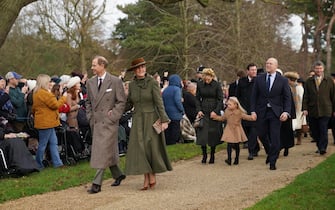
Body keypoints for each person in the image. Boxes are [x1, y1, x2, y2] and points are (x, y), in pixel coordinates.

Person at [125, 57, 172, 190]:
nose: (141, 69)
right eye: (138, 68)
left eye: (143, 67)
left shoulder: (152, 82)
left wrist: (164, 119)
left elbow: (159, 102)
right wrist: (114, 111)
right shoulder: (132, 85)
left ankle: (151, 174)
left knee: (151, 148)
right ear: (134, 70)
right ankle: (147, 176)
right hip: (137, 119)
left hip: (151, 118)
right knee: (140, 149)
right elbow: (129, 103)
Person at [85, 55, 127, 194]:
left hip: (109, 123)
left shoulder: (114, 81)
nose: (92, 68)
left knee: (102, 150)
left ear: (102, 65)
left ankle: (96, 184)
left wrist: (113, 116)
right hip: (96, 122)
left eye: (94, 65)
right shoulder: (90, 83)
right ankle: (118, 174)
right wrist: (90, 117)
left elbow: (121, 102)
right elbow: (88, 102)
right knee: (107, 150)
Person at [250, 57, 291, 170]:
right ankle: (270, 151)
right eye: (267, 63)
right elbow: (254, 97)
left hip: (276, 113)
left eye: (270, 64)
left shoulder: (282, 80)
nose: (268, 65)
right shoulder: (259, 79)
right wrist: (253, 111)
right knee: (262, 134)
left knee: (275, 137)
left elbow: (288, 98)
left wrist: (286, 112)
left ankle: (273, 161)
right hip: (261, 111)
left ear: (276, 66)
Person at [32, 74, 67, 169]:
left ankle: (57, 163)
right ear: (44, 83)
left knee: (53, 143)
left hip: (46, 122)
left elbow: (34, 109)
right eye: (48, 82)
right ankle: (38, 164)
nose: (50, 84)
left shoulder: (37, 93)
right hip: (46, 123)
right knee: (43, 144)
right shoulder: (44, 93)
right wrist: (64, 97)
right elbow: (55, 105)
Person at [302, 61, 335, 155]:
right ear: (314, 69)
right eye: (317, 68)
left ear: (323, 69)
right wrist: (305, 108)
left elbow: (333, 96)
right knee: (314, 131)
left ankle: (323, 148)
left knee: (323, 129)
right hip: (313, 109)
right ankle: (319, 145)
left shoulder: (329, 81)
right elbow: (306, 96)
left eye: (320, 68)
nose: (319, 70)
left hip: (326, 109)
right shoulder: (309, 81)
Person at [212, 97, 255, 165]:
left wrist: (252, 118)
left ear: (236, 105)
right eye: (228, 105)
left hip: (237, 129)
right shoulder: (227, 111)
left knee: (236, 145)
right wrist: (216, 117)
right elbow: (223, 118)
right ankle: (229, 159)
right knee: (229, 144)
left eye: (230, 105)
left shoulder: (239, 112)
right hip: (229, 129)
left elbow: (246, 117)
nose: (228, 106)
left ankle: (236, 158)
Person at [195, 68, 223, 164]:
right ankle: (204, 154)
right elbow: (197, 98)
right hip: (203, 110)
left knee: (212, 134)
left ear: (211, 76)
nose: (207, 80)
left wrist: (216, 111)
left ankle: (212, 154)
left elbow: (220, 99)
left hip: (213, 111)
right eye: (205, 78)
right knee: (202, 134)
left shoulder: (216, 85)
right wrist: (198, 110)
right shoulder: (200, 84)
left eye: (208, 78)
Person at [236, 63, 260, 160]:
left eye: (255, 70)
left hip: (255, 110)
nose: (254, 72)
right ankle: (256, 147)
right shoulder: (242, 82)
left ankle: (251, 151)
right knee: (246, 131)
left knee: (253, 132)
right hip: (244, 110)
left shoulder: (259, 81)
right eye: (252, 70)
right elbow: (238, 95)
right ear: (247, 71)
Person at [162, 74, 185, 145]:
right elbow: (177, 101)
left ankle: (167, 143)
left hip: (166, 113)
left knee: (168, 130)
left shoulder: (166, 90)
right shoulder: (177, 89)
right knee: (175, 129)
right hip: (175, 114)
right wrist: (182, 110)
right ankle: (173, 142)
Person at [284, 72, 305, 146]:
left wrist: (303, 108)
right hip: (289, 108)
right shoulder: (286, 87)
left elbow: (302, 98)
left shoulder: (298, 88)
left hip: (298, 108)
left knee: (298, 124)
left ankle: (299, 138)